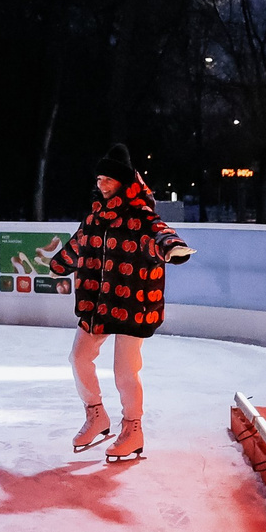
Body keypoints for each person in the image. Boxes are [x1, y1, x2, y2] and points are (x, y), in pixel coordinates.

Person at [50, 144, 192, 465]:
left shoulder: (141, 215)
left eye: (107, 179)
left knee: (125, 372)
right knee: (79, 358)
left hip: (133, 304)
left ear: (123, 182)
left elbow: (160, 234)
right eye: (99, 179)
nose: (101, 184)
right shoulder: (95, 217)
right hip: (97, 304)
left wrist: (173, 249)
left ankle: (133, 429)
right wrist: (60, 263)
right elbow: (79, 244)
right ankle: (96, 415)